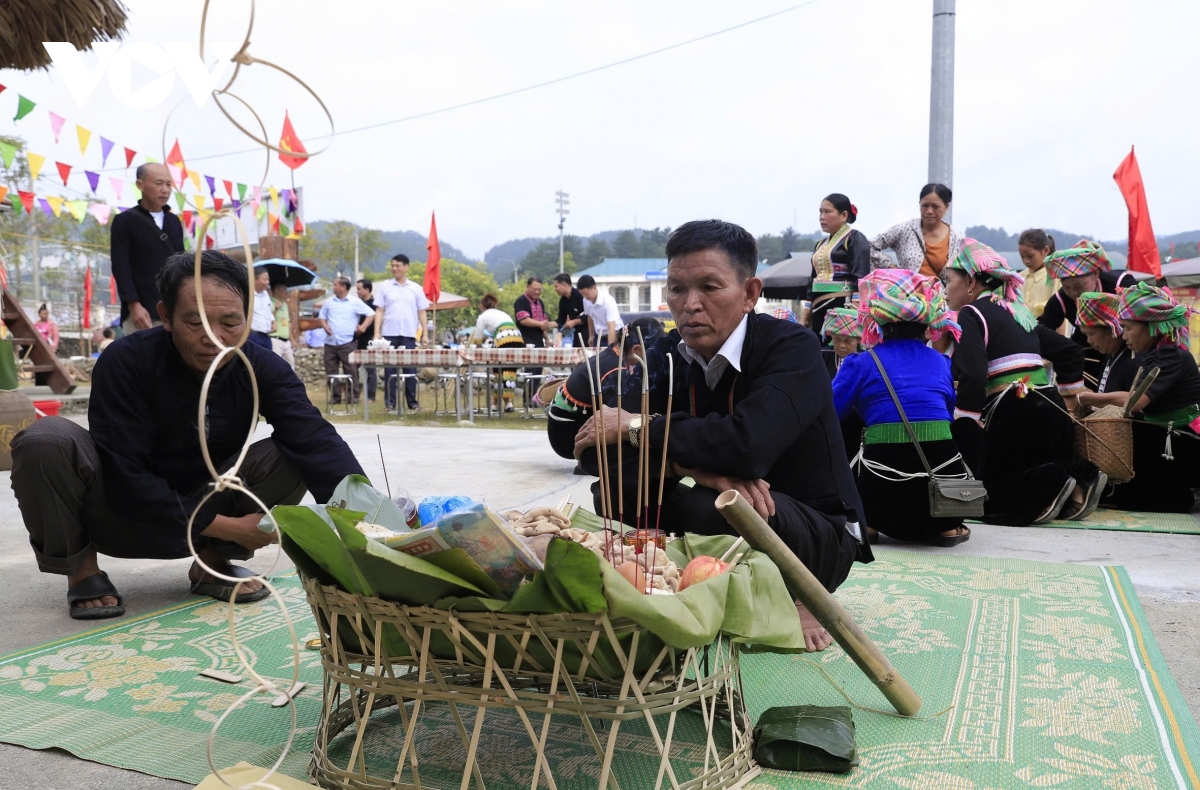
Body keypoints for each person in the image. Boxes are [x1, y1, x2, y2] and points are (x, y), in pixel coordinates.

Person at [9, 250, 365, 620]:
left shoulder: (263, 367)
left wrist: (370, 521)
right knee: (44, 440)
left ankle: (212, 561)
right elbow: (123, 471)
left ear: (248, 317)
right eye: (195, 322)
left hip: (211, 502)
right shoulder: (125, 361)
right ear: (165, 316)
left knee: (293, 451)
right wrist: (228, 526)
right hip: (120, 512)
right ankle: (82, 569)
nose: (214, 338)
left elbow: (315, 440)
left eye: (230, 322)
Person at [575, 219, 874, 653]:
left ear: (750, 293)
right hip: (725, 508)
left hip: (811, 534)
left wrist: (639, 426)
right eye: (677, 289)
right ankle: (674, 574)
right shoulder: (665, 356)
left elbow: (748, 446)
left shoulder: (793, 348)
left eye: (710, 287)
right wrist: (693, 466)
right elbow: (592, 450)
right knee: (614, 487)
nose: (690, 304)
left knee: (715, 504)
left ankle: (803, 593)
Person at [942, 239, 1105, 526]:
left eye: (948, 280)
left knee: (990, 494)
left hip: (1016, 413)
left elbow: (974, 374)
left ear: (970, 281)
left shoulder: (971, 313)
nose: (945, 290)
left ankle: (1054, 483)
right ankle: (1080, 480)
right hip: (1051, 408)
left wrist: (966, 422)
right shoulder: (1017, 311)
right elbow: (1070, 352)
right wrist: (1068, 399)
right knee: (1033, 462)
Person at [834, 269, 971, 546]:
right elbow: (946, 412)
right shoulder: (941, 362)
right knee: (964, 430)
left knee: (848, 425)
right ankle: (951, 524)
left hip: (882, 502)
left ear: (878, 326)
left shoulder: (860, 363)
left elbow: (829, 413)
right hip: (939, 507)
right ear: (925, 329)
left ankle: (868, 523)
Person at [1096, 283, 1200, 512]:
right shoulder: (1156, 354)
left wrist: (1092, 399)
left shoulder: (1170, 355)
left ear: (1151, 327)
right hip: (1167, 433)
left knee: (1134, 495)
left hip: (1183, 439)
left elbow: (1136, 401)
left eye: (1127, 328)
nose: (1123, 336)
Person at [545, 318, 666, 461]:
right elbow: (618, 414)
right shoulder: (616, 370)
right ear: (637, 349)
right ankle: (591, 458)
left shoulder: (614, 354)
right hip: (566, 437)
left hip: (566, 426)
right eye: (654, 354)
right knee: (625, 420)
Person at [1039, 239, 1138, 390]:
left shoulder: (1122, 286)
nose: (1073, 293)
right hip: (1088, 347)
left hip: (1128, 345)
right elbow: (1042, 328)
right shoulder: (1061, 299)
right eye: (1067, 287)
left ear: (1096, 274)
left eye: (1079, 286)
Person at [110, 163, 185, 335]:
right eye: (158, 183)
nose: (165, 190)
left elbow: (181, 264)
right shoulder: (125, 221)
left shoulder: (174, 222)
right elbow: (121, 266)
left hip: (172, 310)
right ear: (140, 185)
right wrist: (133, 304)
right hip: (141, 312)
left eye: (168, 184)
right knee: (142, 359)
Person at [807, 194, 872, 339]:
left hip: (843, 305)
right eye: (820, 212)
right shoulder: (819, 245)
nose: (822, 217)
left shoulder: (854, 238)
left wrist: (854, 311)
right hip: (818, 307)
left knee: (839, 349)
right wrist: (806, 312)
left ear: (844, 215)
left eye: (827, 212)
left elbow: (861, 277)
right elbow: (811, 280)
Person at [374, 254, 430, 412]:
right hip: (389, 334)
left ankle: (412, 403)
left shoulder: (415, 288)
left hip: (408, 334)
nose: (394, 269)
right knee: (390, 369)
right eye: (392, 265)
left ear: (406, 267)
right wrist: (377, 331)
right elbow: (379, 310)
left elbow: (422, 312)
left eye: (398, 266)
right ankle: (390, 404)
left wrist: (425, 333)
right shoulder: (385, 286)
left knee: (410, 369)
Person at [870, 183, 963, 276]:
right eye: (925, 206)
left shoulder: (955, 238)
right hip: (908, 289)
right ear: (919, 204)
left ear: (946, 207)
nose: (929, 211)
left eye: (935, 206)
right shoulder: (905, 230)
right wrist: (889, 266)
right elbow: (870, 246)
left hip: (943, 290)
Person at [1072, 293, 1138, 404]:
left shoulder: (1133, 358)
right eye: (1085, 335)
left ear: (1112, 329)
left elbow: (1135, 402)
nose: (1089, 341)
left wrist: (1094, 399)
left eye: (1091, 334)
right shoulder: (1109, 356)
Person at [319, 277, 375, 405]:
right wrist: (325, 326)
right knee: (331, 371)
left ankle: (353, 397)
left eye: (335, 285)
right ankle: (335, 397)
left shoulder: (355, 302)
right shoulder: (329, 302)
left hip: (348, 342)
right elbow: (322, 316)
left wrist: (363, 327)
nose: (333, 287)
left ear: (343, 287)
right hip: (331, 342)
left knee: (351, 371)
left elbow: (371, 314)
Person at [469, 293, 525, 412]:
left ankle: (501, 403)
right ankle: (504, 403)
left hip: (503, 337)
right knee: (509, 372)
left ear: (482, 306)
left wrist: (478, 346)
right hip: (517, 337)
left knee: (499, 371)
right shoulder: (501, 313)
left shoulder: (483, 316)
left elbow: (478, 335)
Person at [1017, 229, 1061, 321]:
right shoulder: (1019, 278)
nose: (1026, 261)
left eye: (1030, 256)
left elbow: (1059, 313)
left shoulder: (1055, 278)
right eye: (1022, 256)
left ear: (1046, 250)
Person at [577, 274, 625, 347]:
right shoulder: (586, 301)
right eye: (582, 294)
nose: (584, 297)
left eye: (586, 293)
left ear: (594, 287)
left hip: (615, 334)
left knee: (610, 356)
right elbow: (590, 317)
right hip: (599, 336)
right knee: (596, 357)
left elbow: (611, 326)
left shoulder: (608, 301)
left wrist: (610, 348)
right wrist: (591, 335)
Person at [820, 306, 862, 377]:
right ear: (831, 336)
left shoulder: (865, 358)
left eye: (848, 341)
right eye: (837, 339)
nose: (842, 345)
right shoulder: (822, 355)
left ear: (858, 340)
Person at [354, 278, 378, 402]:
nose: (357, 292)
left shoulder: (375, 304)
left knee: (370, 370)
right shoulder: (356, 303)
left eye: (359, 289)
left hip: (369, 341)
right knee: (353, 369)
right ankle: (355, 394)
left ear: (367, 289)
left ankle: (370, 396)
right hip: (356, 340)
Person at [553, 273, 586, 347]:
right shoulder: (563, 301)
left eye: (556, 286)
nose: (555, 289)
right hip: (575, 334)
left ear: (564, 285)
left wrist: (574, 322)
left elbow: (588, 316)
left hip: (587, 332)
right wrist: (547, 324)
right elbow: (561, 320)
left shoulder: (580, 296)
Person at [247, 267, 275, 351]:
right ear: (254, 279)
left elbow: (267, 310)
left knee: (267, 361)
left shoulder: (265, 294)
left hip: (266, 335)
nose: (267, 282)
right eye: (264, 279)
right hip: (254, 335)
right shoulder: (248, 294)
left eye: (268, 279)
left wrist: (273, 321)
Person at [269, 282, 295, 370]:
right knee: (276, 365)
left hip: (286, 340)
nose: (286, 292)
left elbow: (288, 323)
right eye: (284, 290)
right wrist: (276, 309)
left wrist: (292, 339)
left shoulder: (285, 304)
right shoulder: (269, 303)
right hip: (275, 339)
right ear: (276, 290)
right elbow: (266, 320)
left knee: (291, 364)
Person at [33, 304, 60, 385]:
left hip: (49, 347)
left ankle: (50, 382)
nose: (45, 315)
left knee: (49, 366)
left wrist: (54, 346)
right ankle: (39, 383)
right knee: (39, 366)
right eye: (43, 313)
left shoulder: (52, 325)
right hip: (38, 349)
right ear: (39, 314)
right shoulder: (35, 325)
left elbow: (56, 336)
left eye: (46, 314)